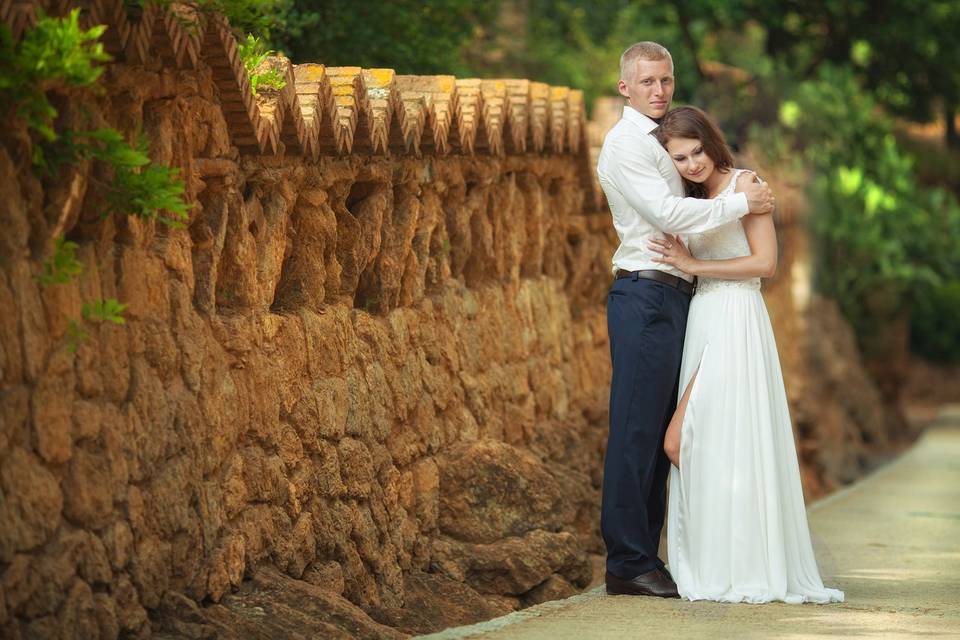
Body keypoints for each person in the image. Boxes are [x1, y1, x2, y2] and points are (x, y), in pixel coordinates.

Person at [596, 42, 775, 599]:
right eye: (647, 81)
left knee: (656, 433)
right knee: (636, 429)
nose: (658, 90)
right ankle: (627, 561)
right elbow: (670, 214)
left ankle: (647, 555)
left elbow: (697, 193)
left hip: (680, 298)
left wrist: (734, 186)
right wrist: (743, 203)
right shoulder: (625, 144)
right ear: (625, 87)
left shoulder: (665, 140)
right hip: (645, 296)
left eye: (666, 80)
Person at [649, 105, 845, 604]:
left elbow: (766, 262)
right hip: (703, 319)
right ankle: (718, 566)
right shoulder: (691, 198)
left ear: (712, 145)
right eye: (679, 158)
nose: (691, 164)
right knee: (705, 445)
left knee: (687, 439)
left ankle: (747, 567)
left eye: (697, 152)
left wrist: (692, 264)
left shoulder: (747, 186)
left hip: (736, 318)